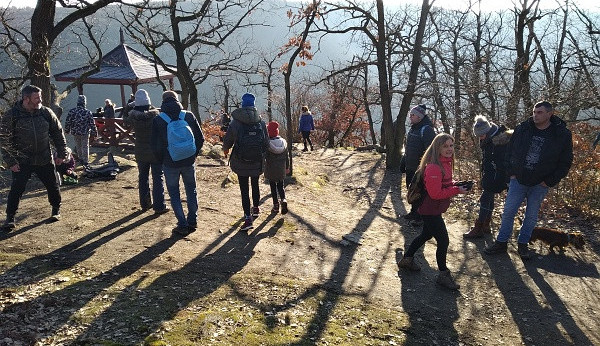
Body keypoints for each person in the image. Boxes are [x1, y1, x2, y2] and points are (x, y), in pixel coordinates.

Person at [485, 101, 573, 259]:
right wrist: (511, 173)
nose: (535, 115)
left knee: (531, 216)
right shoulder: (523, 128)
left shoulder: (562, 134)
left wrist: (549, 181)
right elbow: (509, 151)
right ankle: (501, 243)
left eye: (540, 112)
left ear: (549, 114)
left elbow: (565, 162)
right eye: (534, 112)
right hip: (518, 179)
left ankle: (523, 244)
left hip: (540, 183)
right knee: (508, 212)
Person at [397, 133, 470, 290]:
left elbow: (445, 184)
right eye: (445, 146)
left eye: (451, 145)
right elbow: (435, 194)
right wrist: (457, 190)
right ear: (437, 148)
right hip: (430, 210)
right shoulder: (433, 167)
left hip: (434, 208)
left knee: (426, 235)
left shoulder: (445, 163)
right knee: (443, 241)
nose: (449, 149)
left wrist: (459, 184)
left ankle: (407, 259)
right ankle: (443, 275)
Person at [0, 85, 68, 229]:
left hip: (45, 158)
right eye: (36, 98)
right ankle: (10, 218)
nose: (40, 100)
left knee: (52, 185)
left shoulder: (46, 113)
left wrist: (62, 154)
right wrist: (11, 161)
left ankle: (56, 210)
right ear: (26, 99)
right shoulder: (12, 115)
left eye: (40, 97)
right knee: (17, 189)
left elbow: (58, 133)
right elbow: (4, 140)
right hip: (22, 160)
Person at [151, 91, 203, 235]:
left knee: (174, 193)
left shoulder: (159, 119)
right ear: (177, 99)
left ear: (163, 101)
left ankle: (182, 224)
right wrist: (193, 154)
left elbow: (154, 146)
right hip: (188, 161)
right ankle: (192, 220)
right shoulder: (188, 116)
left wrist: (162, 160)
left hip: (170, 163)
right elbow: (200, 138)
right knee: (191, 190)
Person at [222, 93, 269, 231]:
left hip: (241, 161)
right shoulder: (260, 122)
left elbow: (228, 140)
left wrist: (225, 150)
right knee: (255, 184)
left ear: (243, 105)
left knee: (244, 189)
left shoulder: (236, 122)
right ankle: (256, 208)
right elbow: (266, 142)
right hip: (256, 161)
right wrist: (262, 155)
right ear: (253, 105)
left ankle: (247, 218)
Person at [463, 115, 511, 238]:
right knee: (489, 198)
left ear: (487, 132)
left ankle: (479, 227)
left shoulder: (502, 139)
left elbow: (504, 160)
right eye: (478, 136)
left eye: (481, 135)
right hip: (490, 172)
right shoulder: (487, 138)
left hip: (499, 174)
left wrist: (503, 176)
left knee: (485, 198)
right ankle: (485, 225)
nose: (480, 138)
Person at [124, 89, 169, 214]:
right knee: (157, 177)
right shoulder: (155, 117)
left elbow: (125, 118)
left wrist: (129, 106)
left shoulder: (133, 118)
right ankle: (159, 206)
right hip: (155, 151)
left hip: (140, 150)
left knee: (143, 177)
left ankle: (145, 203)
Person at [400, 104, 436, 224]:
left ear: (420, 117)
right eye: (411, 114)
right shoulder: (413, 128)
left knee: (420, 192)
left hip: (420, 168)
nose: (410, 116)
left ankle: (420, 217)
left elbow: (431, 151)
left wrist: (425, 167)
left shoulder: (426, 130)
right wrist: (403, 161)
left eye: (413, 115)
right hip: (410, 166)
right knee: (411, 189)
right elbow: (409, 147)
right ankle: (414, 212)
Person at [64, 94, 97, 167]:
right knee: (85, 146)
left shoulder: (72, 111)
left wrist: (67, 130)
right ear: (84, 103)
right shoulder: (87, 112)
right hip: (85, 132)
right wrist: (95, 132)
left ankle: (80, 159)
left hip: (75, 132)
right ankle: (85, 161)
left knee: (78, 145)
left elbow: (68, 122)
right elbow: (92, 123)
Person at [265, 121, 289, 214]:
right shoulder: (284, 142)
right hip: (281, 168)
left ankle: (275, 205)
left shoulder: (268, 144)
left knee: (273, 187)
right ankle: (283, 199)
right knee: (280, 185)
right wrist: (287, 167)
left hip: (271, 169)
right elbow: (287, 157)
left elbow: (265, 156)